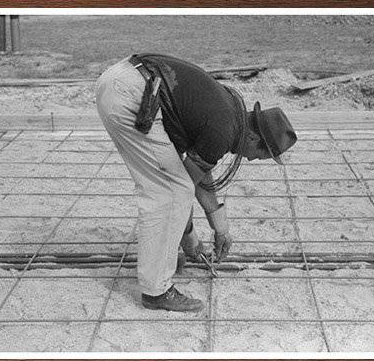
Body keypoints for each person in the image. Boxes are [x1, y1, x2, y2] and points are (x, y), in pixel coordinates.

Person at [95, 53, 297, 312]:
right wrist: (190, 239)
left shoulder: (230, 114)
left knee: (174, 187)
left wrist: (220, 229)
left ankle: (162, 261)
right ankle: (156, 291)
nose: (253, 160)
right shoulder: (223, 131)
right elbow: (186, 184)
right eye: (261, 155)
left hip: (123, 80)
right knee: (170, 192)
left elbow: (199, 172)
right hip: (130, 95)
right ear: (255, 138)